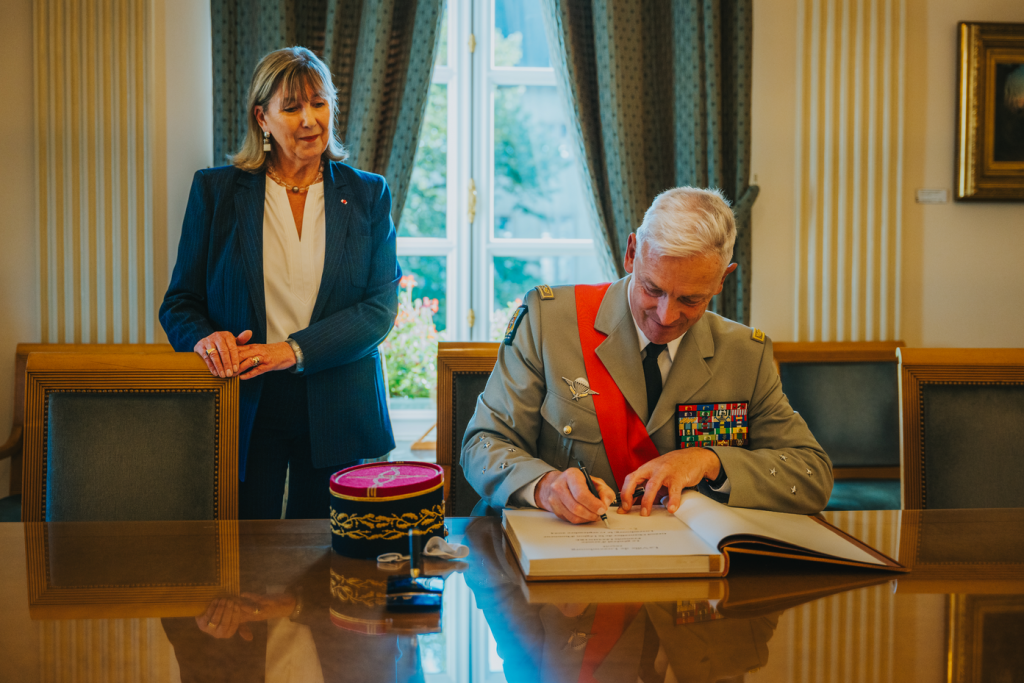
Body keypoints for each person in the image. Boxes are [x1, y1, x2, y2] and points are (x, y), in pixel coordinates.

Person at [462, 187, 832, 523]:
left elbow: (811, 474)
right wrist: (544, 486)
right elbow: (483, 444)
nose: (666, 316)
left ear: (722, 280)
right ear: (632, 253)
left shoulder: (743, 354)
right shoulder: (550, 323)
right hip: (571, 557)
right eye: (652, 288)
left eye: (691, 299)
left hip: (694, 575)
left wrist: (710, 461)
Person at [160, 47, 400, 519]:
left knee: (329, 561)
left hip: (338, 403)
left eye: (318, 102)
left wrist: (290, 351)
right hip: (245, 403)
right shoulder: (216, 192)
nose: (309, 119)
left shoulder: (369, 193)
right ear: (262, 118)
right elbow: (180, 303)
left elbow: (379, 310)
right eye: (291, 107)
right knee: (247, 562)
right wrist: (205, 339)